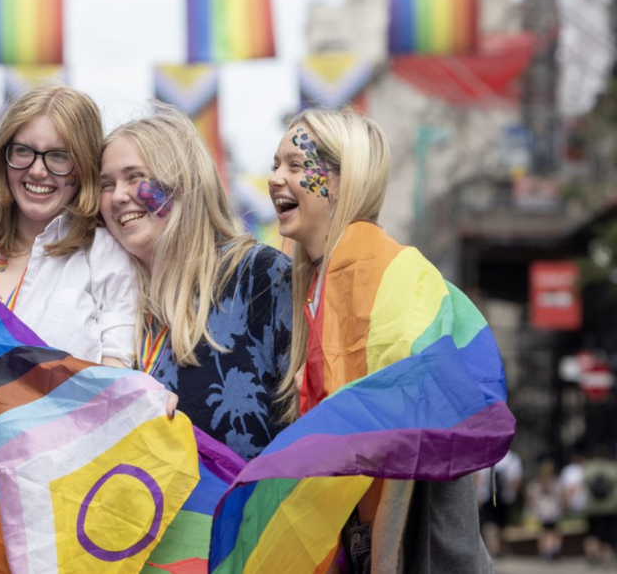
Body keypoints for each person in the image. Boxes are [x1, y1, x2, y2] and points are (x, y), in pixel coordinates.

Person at [268, 107, 493, 572]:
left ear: (340, 180)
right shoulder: (318, 283)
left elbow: (405, 428)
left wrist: (384, 555)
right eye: (275, 164)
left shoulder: (386, 269)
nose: (274, 179)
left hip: (397, 544)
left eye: (295, 165)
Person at [97, 106, 292, 459]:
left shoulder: (259, 275)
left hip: (261, 510)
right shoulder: (106, 299)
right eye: (106, 184)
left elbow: (315, 414)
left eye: (134, 176)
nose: (117, 196)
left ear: (182, 182)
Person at [0, 83, 138, 366]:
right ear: (2, 155)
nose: (37, 170)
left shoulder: (104, 254)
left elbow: (115, 378)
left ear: (84, 167)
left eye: (59, 156)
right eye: (23, 151)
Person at [583, 446, 617, 566]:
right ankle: (606, 558)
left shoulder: (588, 466)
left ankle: (592, 556)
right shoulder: (612, 467)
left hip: (592, 507)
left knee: (592, 533)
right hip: (609, 506)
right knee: (608, 534)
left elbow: (584, 482)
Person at [526, 456, 563, 560]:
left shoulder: (540, 483)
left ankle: (548, 551)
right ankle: (551, 550)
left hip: (546, 510)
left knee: (546, 532)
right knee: (550, 532)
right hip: (549, 510)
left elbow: (531, 496)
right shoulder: (554, 482)